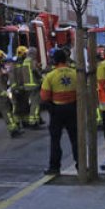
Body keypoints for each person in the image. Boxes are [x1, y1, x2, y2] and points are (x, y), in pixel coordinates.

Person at [40, 47, 78, 176]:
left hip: (57, 111)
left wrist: (52, 109)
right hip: (73, 109)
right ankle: (81, 164)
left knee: (55, 140)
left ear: (55, 61)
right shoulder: (74, 73)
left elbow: (44, 97)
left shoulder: (50, 76)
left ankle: (54, 167)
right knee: (75, 139)